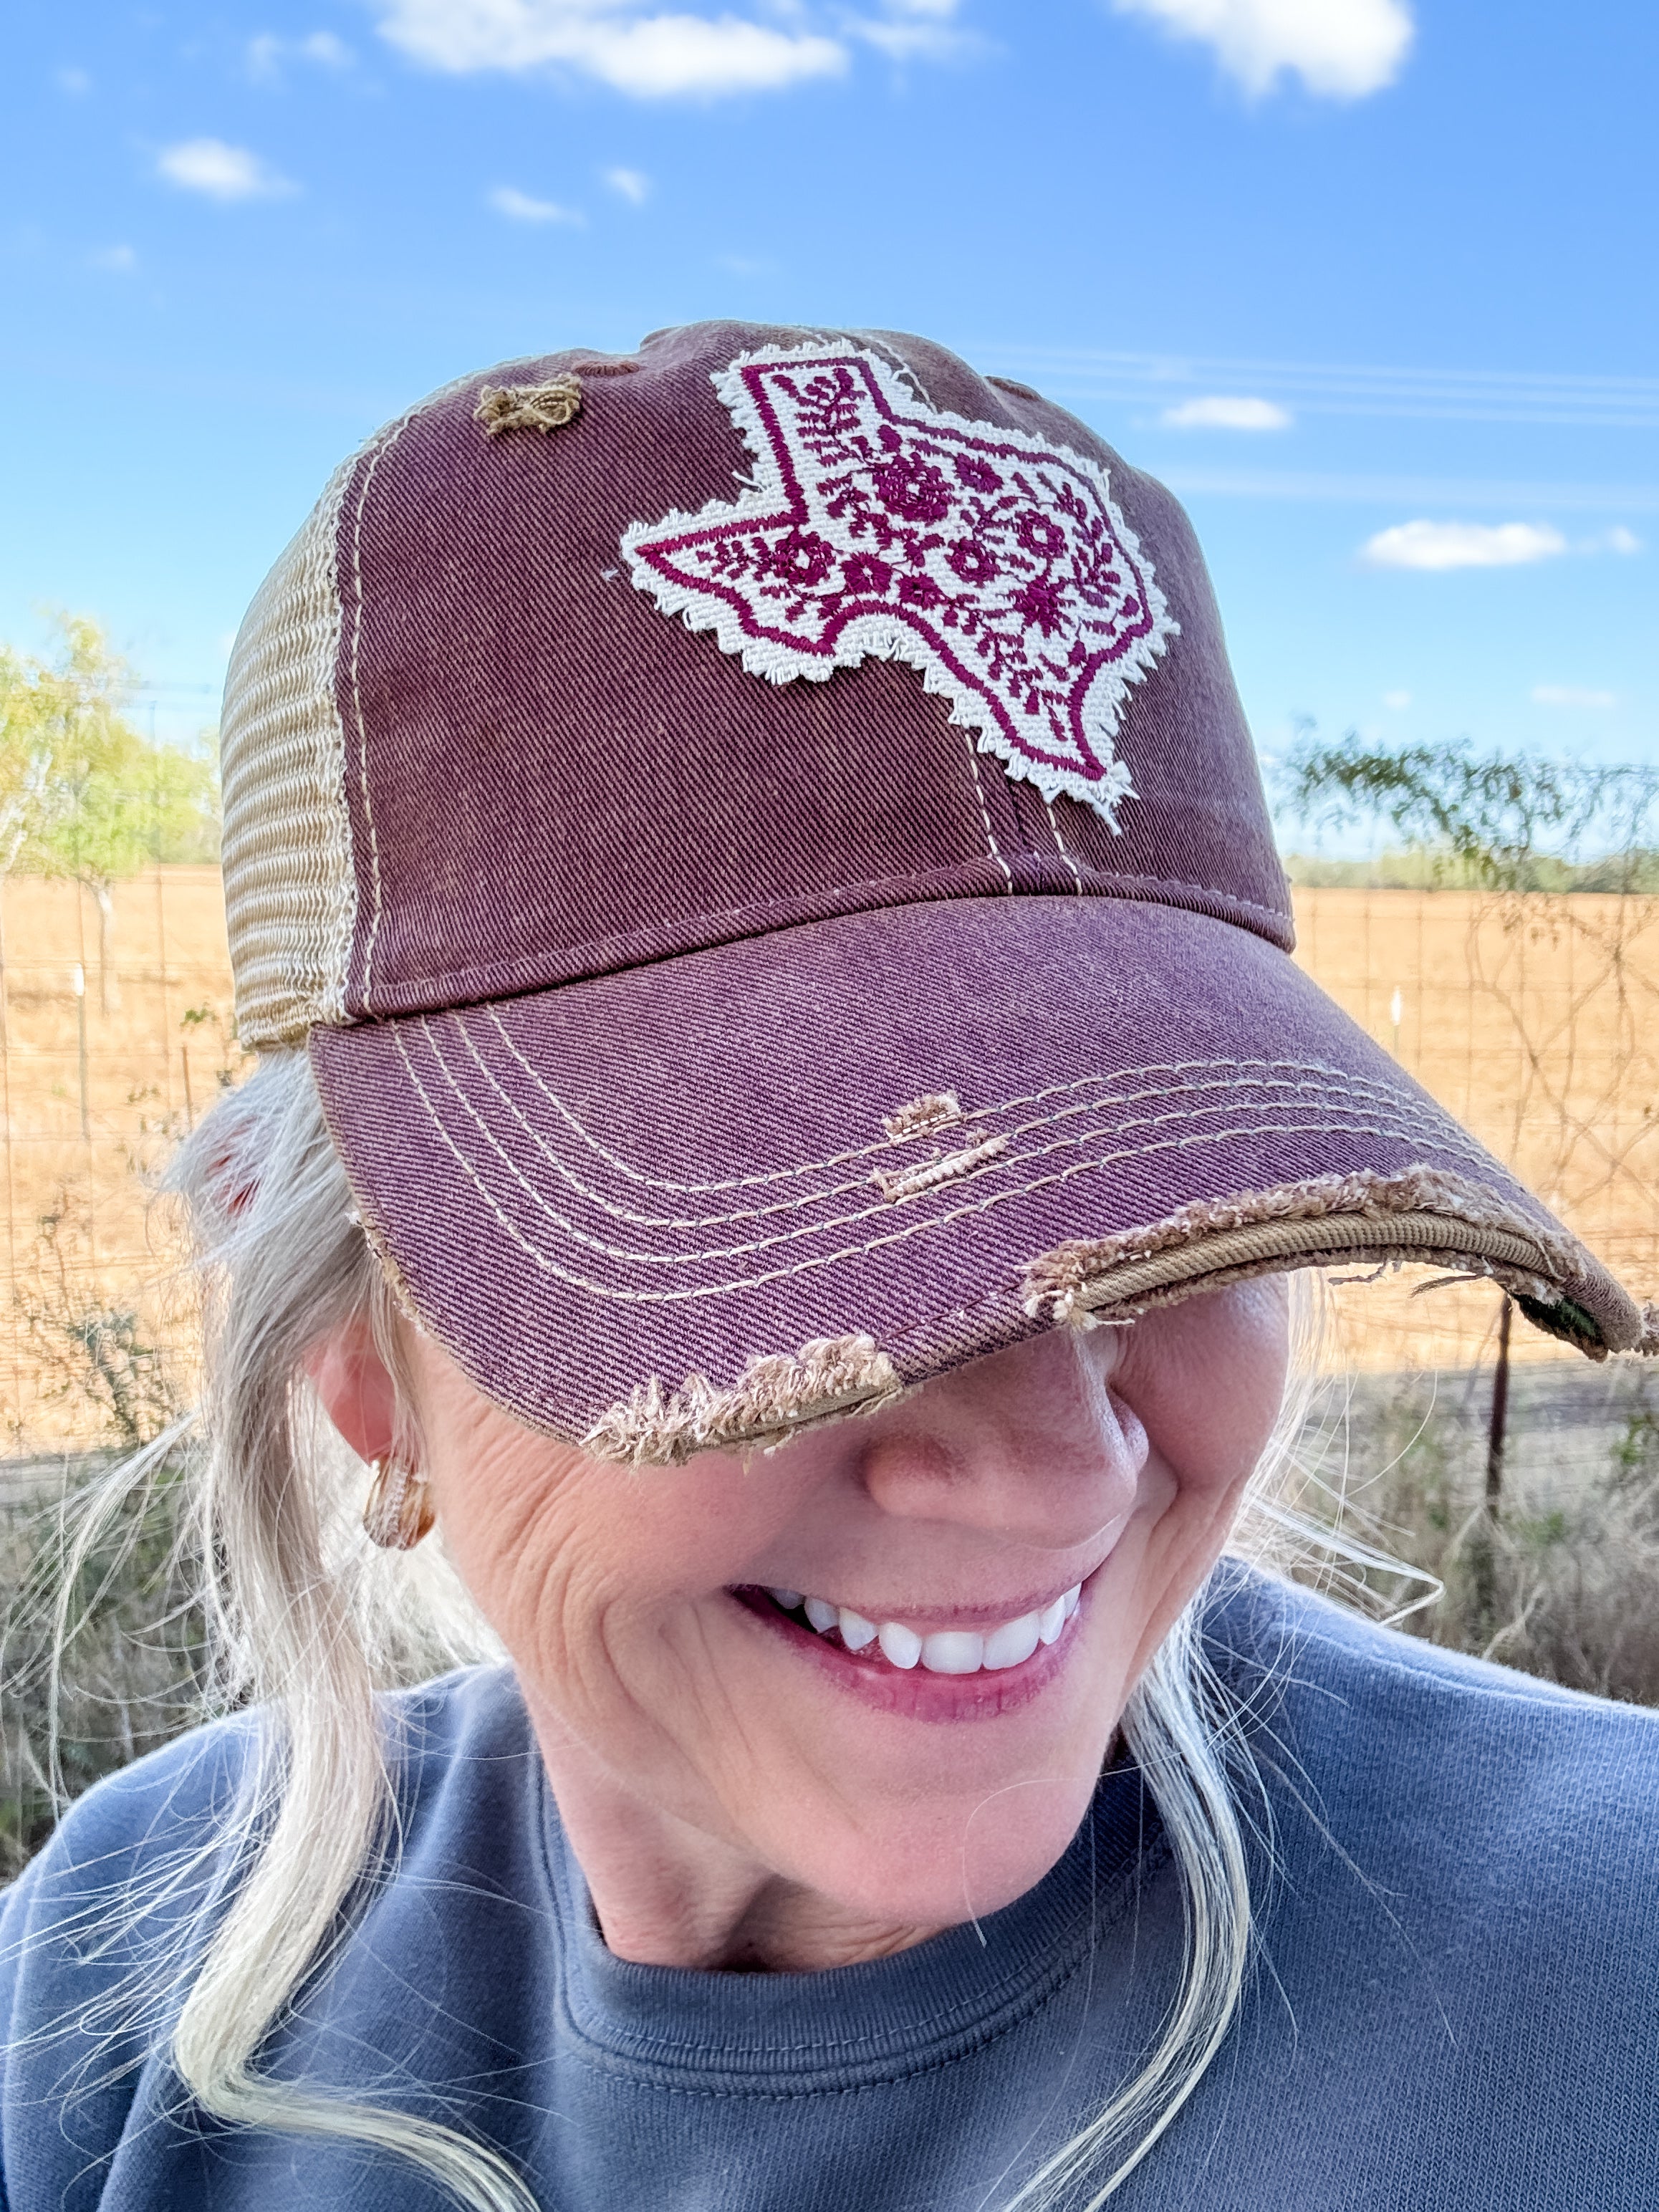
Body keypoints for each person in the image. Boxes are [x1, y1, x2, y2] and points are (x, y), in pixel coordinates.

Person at [2, 322, 1656, 2212]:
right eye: (800, 1258)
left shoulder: (1611, 1987)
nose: (1063, 1467)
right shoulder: (121, 1979)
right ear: (365, 1367)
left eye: (1184, 1197)